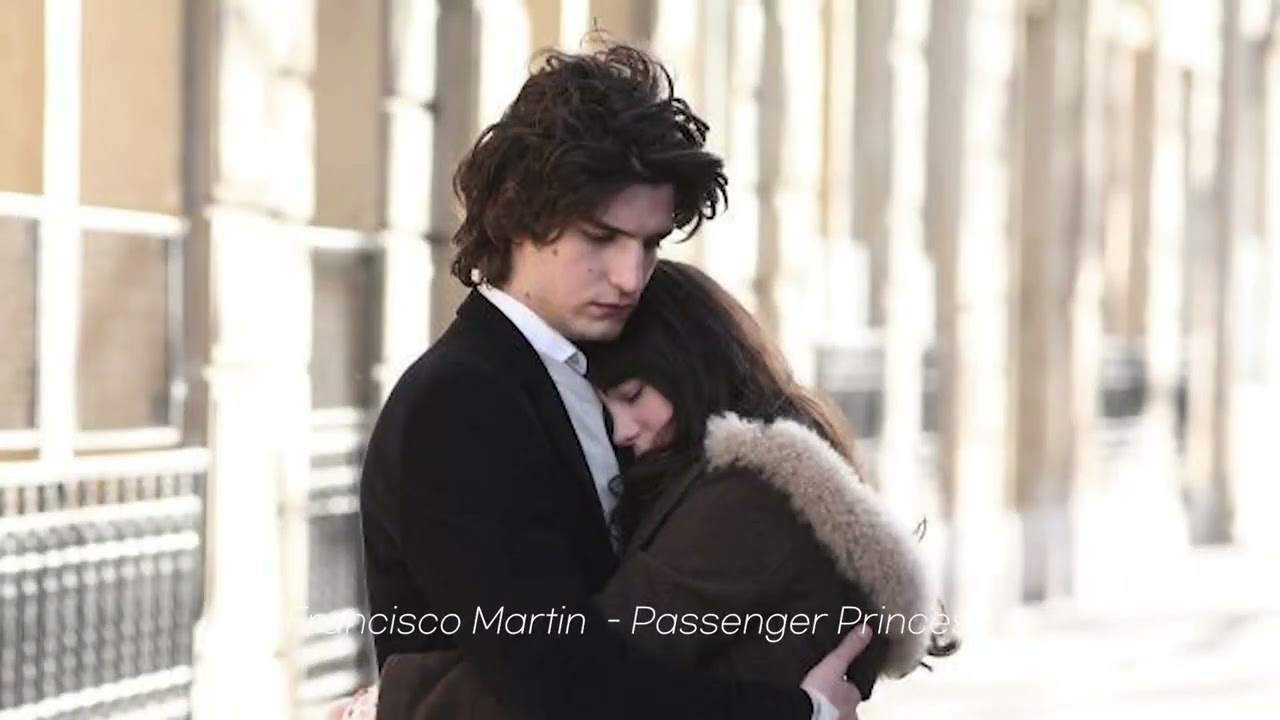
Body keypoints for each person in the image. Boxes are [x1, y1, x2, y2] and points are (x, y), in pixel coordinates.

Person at [357, 43, 875, 719]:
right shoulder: (462, 402)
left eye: (650, 244)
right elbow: (563, 683)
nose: (631, 277)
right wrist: (800, 713)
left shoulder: (579, 372)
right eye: (600, 237)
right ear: (515, 215)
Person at [364, 261, 957, 719]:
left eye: (633, 396)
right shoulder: (750, 479)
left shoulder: (748, 497)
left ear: (691, 365)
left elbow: (594, 675)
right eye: (606, 412)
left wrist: (399, 703)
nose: (622, 431)